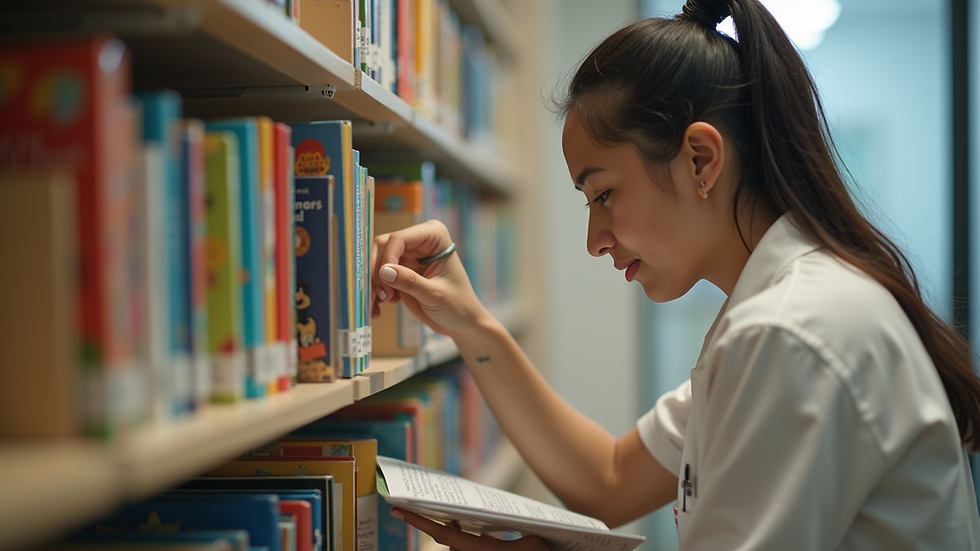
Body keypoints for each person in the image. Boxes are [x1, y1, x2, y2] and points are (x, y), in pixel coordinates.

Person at [370, 0, 980, 548]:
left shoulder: (791, 332)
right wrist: (471, 324)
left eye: (603, 193)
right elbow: (608, 478)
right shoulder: (773, 315)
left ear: (701, 160)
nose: (594, 241)